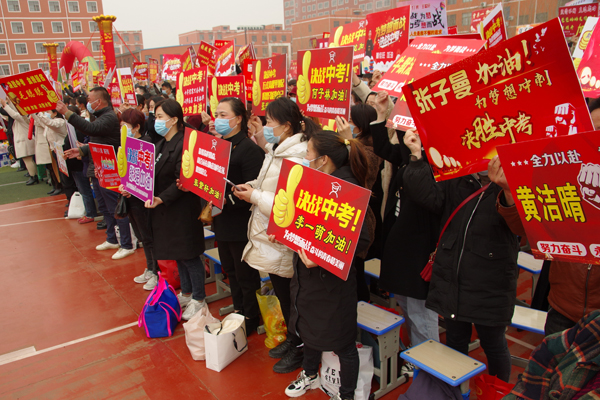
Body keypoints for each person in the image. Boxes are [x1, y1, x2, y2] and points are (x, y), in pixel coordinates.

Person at [401, 113, 521, 382]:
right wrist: (417, 157)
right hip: (452, 276)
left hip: (490, 281)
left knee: (493, 343)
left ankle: (498, 391)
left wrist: (509, 191)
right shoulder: (458, 174)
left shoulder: (513, 181)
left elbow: (522, 231)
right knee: (454, 340)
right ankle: (454, 390)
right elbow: (429, 198)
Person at [282, 130, 370, 400]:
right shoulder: (315, 183)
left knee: (343, 343)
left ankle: (346, 394)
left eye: (308, 153)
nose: (305, 158)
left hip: (333, 285)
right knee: (309, 330)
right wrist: (285, 231)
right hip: (308, 279)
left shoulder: (351, 193)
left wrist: (319, 258)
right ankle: (309, 373)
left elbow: (361, 243)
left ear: (323, 159)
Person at [234, 96, 319, 374]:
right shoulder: (276, 149)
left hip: (284, 238)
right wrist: (251, 187)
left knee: (293, 298)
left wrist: (255, 196)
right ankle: (293, 340)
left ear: (286, 125)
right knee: (283, 295)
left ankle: (302, 348)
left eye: (269, 122)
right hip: (269, 232)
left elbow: (291, 202)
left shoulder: (298, 157)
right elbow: (264, 181)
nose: (266, 126)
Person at [370, 93, 440, 365]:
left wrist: (417, 158)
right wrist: (381, 115)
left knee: (422, 312)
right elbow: (386, 150)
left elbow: (430, 199)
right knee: (407, 305)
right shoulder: (407, 154)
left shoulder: (437, 162)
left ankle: (428, 365)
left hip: (422, 246)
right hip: (400, 242)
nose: (406, 135)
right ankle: (416, 356)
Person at [57, 87, 135, 260]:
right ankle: (112, 238)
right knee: (105, 207)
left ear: (98, 102)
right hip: (99, 167)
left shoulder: (108, 117)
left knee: (116, 208)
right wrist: (82, 151)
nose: (88, 102)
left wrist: (67, 113)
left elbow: (90, 129)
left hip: (111, 169)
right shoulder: (101, 117)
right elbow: (98, 142)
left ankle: (127, 244)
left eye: (89, 99)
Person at [146, 99, 206, 320]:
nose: (156, 121)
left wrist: (161, 198)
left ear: (174, 120)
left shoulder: (184, 143)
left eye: (160, 117)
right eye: (155, 116)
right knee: (178, 255)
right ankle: (187, 292)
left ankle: (199, 299)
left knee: (189, 255)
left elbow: (183, 180)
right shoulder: (161, 143)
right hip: (166, 211)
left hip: (182, 210)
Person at [208, 97, 265, 333]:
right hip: (222, 220)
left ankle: (251, 318)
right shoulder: (219, 146)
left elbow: (252, 191)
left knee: (245, 274)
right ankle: (240, 309)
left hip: (241, 223)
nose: (217, 120)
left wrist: (226, 201)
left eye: (223, 115)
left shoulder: (249, 150)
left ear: (238, 118)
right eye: (216, 115)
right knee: (230, 269)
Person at [118, 108, 160, 290]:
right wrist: (123, 185)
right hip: (131, 199)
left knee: (149, 237)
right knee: (142, 237)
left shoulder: (146, 145)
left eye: (125, 126)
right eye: (121, 126)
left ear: (136, 127)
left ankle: (156, 271)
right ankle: (149, 267)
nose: (122, 129)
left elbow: (147, 178)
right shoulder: (125, 144)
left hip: (143, 201)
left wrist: (133, 188)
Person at [65, 105, 97, 224]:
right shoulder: (70, 129)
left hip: (81, 164)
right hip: (77, 163)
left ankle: (91, 213)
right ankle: (90, 212)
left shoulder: (80, 130)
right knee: (83, 189)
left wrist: (81, 151)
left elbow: (89, 147)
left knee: (85, 190)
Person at [0, 98, 37, 185]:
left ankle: (33, 176)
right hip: (24, 140)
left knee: (28, 159)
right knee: (28, 160)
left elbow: (14, 114)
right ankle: (33, 175)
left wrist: (5, 105)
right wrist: (9, 102)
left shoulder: (23, 116)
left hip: (24, 141)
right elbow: (14, 111)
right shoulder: (23, 116)